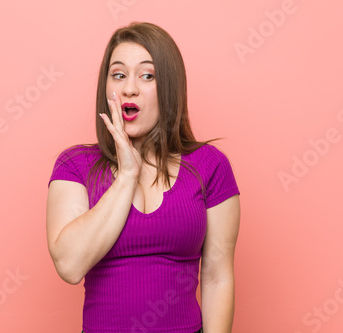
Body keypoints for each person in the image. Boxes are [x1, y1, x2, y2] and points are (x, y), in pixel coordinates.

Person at [46, 21, 240, 333]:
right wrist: (127, 176)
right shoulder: (74, 165)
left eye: (147, 75)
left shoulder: (210, 166)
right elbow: (69, 265)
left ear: (169, 87)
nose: (129, 88)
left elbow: (218, 276)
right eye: (118, 74)